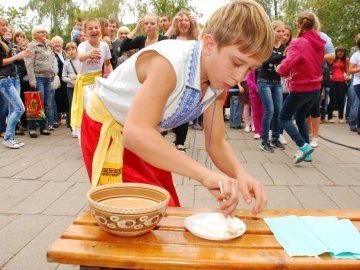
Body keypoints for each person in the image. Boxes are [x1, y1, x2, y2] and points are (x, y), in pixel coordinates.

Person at [81, 0, 273, 216]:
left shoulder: (219, 80)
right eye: (237, 63)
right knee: (140, 214)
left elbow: (215, 141)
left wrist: (240, 174)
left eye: (251, 68)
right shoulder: (170, 64)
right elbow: (135, 134)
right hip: (108, 129)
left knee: (167, 208)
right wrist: (204, 174)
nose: (240, 76)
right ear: (209, 44)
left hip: (146, 133)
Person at [277, 11, 325, 164]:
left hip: (301, 88)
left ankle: (303, 146)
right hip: (316, 88)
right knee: (300, 116)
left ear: (299, 24)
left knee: (283, 117)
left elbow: (286, 66)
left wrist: (279, 68)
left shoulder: (299, 42)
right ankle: (308, 155)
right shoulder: (319, 41)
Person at [164, 9, 201, 152]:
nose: (184, 23)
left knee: (185, 108)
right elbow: (161, 42)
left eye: (187, 20)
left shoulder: (195, 38)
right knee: (169, 106)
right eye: (181, 20)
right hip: (172, 76)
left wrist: (197, 25)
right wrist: (172, 26)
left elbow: (206, 41)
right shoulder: (172, 38)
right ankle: (163, 134)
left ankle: (180, 141)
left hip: (189, 78)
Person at [71, 18, 112, 137]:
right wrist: (90, 54)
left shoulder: (104, 46)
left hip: (98, 83)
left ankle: (99, 136)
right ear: (85, 32)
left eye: (96, 27)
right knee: (88, 111)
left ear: (100, 29)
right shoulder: (83, 45)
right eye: (90, 28)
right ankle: (86, 137)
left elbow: (108, 64)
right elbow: (80, 57)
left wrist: (113, 78)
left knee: (100, 111)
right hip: (85, 85)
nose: (94, 30)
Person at [0, 18, 31, 148]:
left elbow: (15, 61)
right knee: (19, 108)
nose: (6, 27)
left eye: (6, 25)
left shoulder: (6, 42)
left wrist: (23, 55)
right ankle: (7, 138)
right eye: (2, 25)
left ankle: (10, 138)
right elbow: (1, 62)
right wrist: (18, 56)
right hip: (5, 79)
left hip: (14, 77)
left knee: (14, 108)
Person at [257, 20, 286, 153]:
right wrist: (282, 56)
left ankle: (275, 138)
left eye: (283, 31)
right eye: (278, 31)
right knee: (269, 110)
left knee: (279, 112)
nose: (281, 34)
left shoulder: (284, 47)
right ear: (272, 31)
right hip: (264, 81)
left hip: (277, 82)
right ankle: (264, 141)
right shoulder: (266, 45)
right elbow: (265, 61)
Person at [25, 25, 55, 138]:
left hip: (47, 77)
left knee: (46, 103)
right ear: (35, 34)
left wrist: (52, 70)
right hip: (38, 78)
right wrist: (32, 80)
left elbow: (48, 61)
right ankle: (32, 128)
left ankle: (43, 127)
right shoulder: (31, 46)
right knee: (37, 103)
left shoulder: (46, 45)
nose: (45, 33)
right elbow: (29, 63)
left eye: (45, 31)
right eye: (42, 32)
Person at [62, 42, 80, 138]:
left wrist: (78, 77)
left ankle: (81, 126)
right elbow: (63, 77)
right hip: (71, 88)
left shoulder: (81, 60)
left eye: (73, 49)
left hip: (80, 86)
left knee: (81, 106)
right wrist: (70, 79)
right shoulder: (66, 63)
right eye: (69, 50)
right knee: (72, 106)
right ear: (66, 52)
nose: (71, 52)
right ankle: (73, 128)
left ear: (77, 50)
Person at [51, 36, 69, 129]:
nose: (57, 44)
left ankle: (67, 118)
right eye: (55, 42)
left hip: (66, 78)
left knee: (65, 97)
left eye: (59, 42)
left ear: (62, 44)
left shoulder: (65, 53)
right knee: (57, 97)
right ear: (52, 45)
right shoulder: (51, 54)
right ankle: (57, 118)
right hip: (57, 79)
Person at [328, 47, 349, 123]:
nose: (341, 53)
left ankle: (340, 117)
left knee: (341, 99)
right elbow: (328, 67)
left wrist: (347, 76)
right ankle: (330, 117)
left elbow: (347, 70)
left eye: (342, 52)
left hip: (342, 82)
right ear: (336, 52)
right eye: (339, 52)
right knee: (332, 98)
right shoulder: (333, 59)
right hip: (333, 81)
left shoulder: (346, 60)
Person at [349, 36, 360, 135]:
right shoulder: (356, 55)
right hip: (358, 82)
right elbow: (350, 70)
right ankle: (357, 124)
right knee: (357, 103)